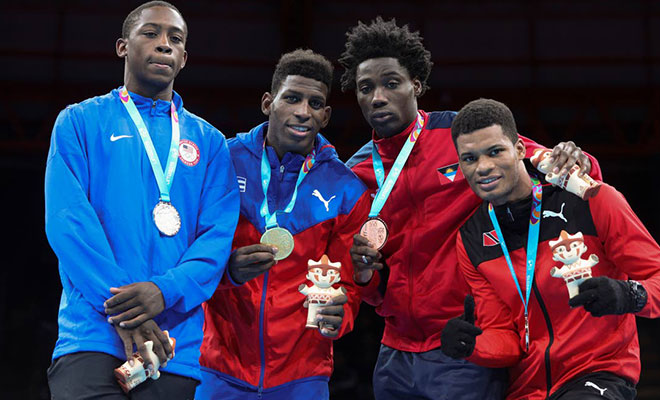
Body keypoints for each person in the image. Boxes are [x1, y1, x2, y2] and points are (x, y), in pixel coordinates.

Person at [340, 17, 603, 399]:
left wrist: (576, 161)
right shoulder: (357, 173)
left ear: (416, 84)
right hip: (394, 354)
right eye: (366, 88)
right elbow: (371, 283)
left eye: (391, 83)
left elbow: (548, 163)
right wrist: (365, 277)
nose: (378, 96)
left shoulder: (461, 136)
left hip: (465, 345)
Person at [44, 2, 239, 398]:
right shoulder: (79, 122)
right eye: (150, 33)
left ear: (184, 58)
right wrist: (125, 309)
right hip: (92, 335)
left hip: (174, 346)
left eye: (175, 39)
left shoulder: (211, 144)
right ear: (122, 47)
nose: (164, 45)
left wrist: (163, 291)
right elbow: (68, 223)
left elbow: (216, 240)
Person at [441, 98, 660, 399]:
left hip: (598, 375)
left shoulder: (590, 200)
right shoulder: (471, 237)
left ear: (520, 150)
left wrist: (628, 295)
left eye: (495, 152)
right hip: (526, 389)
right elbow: (507, 339)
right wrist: (473, 346)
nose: (483, 167)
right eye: (469, 158)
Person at [197, 49, 371, 400]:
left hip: (303, 376)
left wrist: (343, 314)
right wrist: (227, 271)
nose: (303, 111)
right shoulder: (222, 163)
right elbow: (191, 252)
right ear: (268, 103)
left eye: (315, 103)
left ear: (326, 116)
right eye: (292, 98)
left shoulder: (346, 189)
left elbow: (348, 284)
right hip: (218, 367)